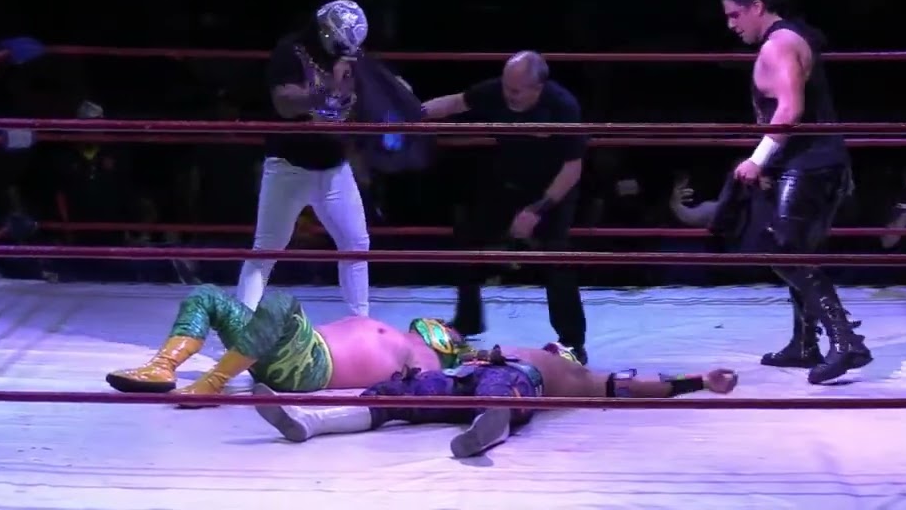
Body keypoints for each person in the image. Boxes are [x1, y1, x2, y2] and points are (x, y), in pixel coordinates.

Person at [721, 0, 870, 384]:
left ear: (757, 7)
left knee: (782, 249)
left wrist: (758, 160)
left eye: (735, 15)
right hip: (812, 162)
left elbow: (789, 109)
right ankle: (805, 344)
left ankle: (845, 340)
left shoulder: (780, 44)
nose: (731, 25)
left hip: (810, 164)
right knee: (798, 251)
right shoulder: (789, 38)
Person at [254, 343, 739, 458]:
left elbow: (643, 385)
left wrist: (699, 380)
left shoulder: (584, 376)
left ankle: (488, 430)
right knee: (393, 393)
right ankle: (309, 422)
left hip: (516, 382)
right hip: (463, 376)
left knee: (499, 394)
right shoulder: (511, 349)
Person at [420, 51, 589, 363]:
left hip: (552, 191)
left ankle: (572, 342)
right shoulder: (498, 89)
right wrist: (413, 113)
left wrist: (537, 210)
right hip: (508, 182)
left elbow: (572, 168)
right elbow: (457, 102)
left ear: (537, 88)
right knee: (467, 238)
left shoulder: (562, 106)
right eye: (506, 86)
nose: (508, 95)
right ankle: (468, 320)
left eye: (516, 90)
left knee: (557, 258)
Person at [243, 0, 375, 317]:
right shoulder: (290, 51)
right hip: (289, 167)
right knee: (266, 249)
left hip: (334, 167)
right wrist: (328, 89)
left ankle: (360, 322)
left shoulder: (350, 58)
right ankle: (241, 324)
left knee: (356, 244)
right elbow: (285, 104)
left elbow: (363, 101)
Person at [105, 285, 470, 398]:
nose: (441, 324)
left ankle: (213, 383)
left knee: (281, 302)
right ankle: (162, 367)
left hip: (310, 367)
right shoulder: (401, 334)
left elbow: (428, 388)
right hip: (284, 350)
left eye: (449, 329)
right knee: (207, 295)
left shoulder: (427, 357)